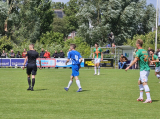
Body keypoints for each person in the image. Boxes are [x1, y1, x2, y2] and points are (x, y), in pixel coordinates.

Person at [125, 39, 152, 103]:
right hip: (146, 69)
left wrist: (128, 67)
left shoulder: (139, 51)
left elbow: (135, 61)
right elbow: (149, 60)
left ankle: (149, 98)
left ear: (137, 44)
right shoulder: (145, 51)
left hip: (143, 70)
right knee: (139, 82)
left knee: (144, 83)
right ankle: (141, 97)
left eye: (136, 44)